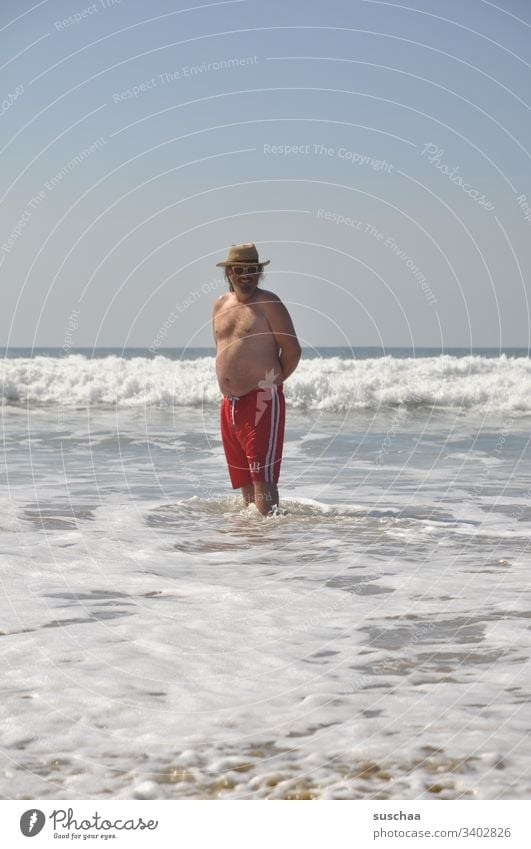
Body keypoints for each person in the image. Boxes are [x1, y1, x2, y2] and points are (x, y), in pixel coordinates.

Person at [212, 243, 301, 516]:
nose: (246, 275)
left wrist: (270, 385)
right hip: (231, 405)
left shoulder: (268, 304)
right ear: (229, 273)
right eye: (240, 270)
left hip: (262, 400)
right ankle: (251, 547)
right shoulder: (220, 305)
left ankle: (268, 542)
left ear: (259, 272)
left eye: (252, 270)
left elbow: (292, 350)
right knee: (244, 480)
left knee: (262, 477)